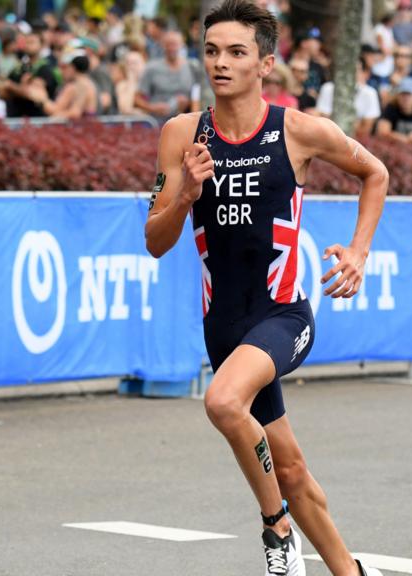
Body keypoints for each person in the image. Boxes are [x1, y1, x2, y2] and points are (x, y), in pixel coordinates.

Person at [144, 2, 388, 575]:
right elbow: (155, 240)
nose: (220, 63)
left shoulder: (298, 131)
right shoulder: (183, 135)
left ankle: (276, 529)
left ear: (266, 64)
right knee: (294, 469)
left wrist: (358, 251)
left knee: (223, 402)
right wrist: (184, 195)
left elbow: (374, 173)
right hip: (223, 328)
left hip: (284, 318)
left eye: (236, 52)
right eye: (211, 51)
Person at [314, 57, 382, 139]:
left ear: (364, 73)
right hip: (328, 138)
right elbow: (322, 119)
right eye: (348, 69)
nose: (351, 73)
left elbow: (366, 128)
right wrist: (356, 123)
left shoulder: (370, 93)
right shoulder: (328, 88)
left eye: (356, 70)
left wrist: (334, 119)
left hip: (357, 141)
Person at [135, 31, 196, 123]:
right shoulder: (152, 68)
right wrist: (152, 108)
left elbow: (199, 97)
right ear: (162, 45)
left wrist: (187, 103)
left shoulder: (192, 67)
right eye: (168, 44)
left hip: (184, 124)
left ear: (182, 45)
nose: (172, 48)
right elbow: (136, 99)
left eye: (175, 44)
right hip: (157, 123)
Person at [29, 51, 98, 119]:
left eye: (64, 67)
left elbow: (57, 110)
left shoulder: (75, 86)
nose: (60, 71)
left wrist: (41, 98)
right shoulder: (88, 83)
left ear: (73, 67)